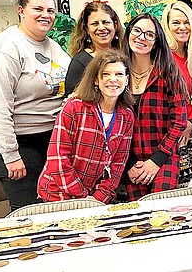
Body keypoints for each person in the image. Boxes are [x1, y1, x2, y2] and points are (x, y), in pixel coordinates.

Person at [0, 0, 72, 210]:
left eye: (51, 10)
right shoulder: (3, 49)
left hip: (44, 134)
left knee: (54, 197)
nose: (46, 15)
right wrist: (10, 155)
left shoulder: (52, 46)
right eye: (38, 8)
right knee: (30, 205)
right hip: (11, 136)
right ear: (21, 10)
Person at [38, 50, 135, 202]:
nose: (113, 79)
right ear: (96, 79)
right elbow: (58, 157)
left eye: (119, 74)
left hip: (93, 198)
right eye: (105, 74)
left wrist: (99, 197)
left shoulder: (127, 116)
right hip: (58, 192)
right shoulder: (74, 107)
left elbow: (118, 164)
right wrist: (82, 197)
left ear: (127, 79)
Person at [122, 13, 188, 200]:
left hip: (164, 157)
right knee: (139, 217)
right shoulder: (117, 74)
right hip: (131, 162)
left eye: (150, 34)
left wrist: (156, 161)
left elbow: (179, 123)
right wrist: (129, 164)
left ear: (157, 41)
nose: (141, 37)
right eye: (137, 31)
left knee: (160, 209)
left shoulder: (168, 73)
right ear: (128, 33)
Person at [161, 1, 192, 183]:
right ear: (167, 26)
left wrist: (191, 121)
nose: (182, 27)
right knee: (167, 183)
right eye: (176, 23)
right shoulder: (162, 57)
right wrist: (179, 124)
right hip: (166, 129)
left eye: (187, 22)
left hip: (189, 129)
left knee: (185, 182)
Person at [64, 1, 124, 96]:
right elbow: (71, 101)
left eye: (106, 22)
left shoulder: (126, 55)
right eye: (95, 24)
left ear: (115, 26)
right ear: (87, 29)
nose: (101, 27)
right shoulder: (80, 62)